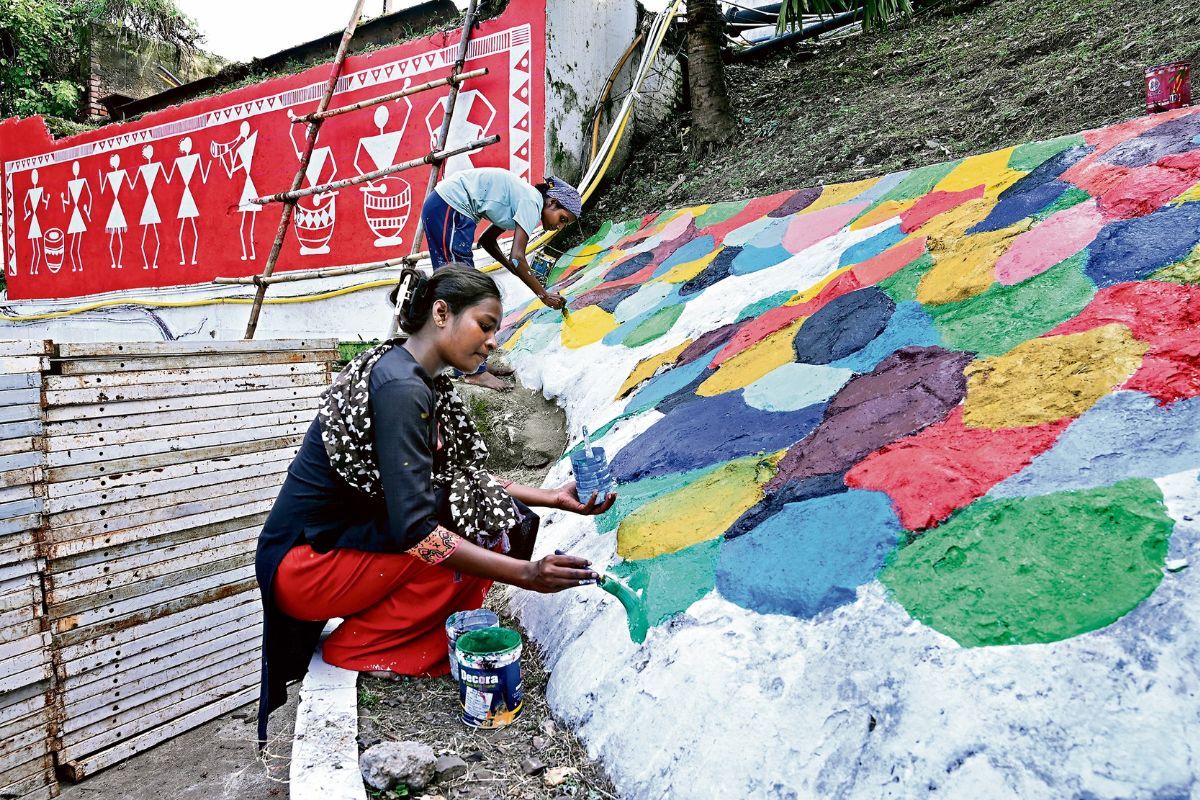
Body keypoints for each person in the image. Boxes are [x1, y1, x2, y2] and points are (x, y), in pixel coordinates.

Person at [255, 265, 615, 743]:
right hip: (305, 567)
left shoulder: (414, 376)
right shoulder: (402, 388)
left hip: (327, 552)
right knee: (479, 531)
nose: (492, 343)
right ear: (441, 313)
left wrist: (552, 498)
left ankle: (396, 632)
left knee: (485, 517)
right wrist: (527, 574)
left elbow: (455, 482)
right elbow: (416, 531)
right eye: (485, 325)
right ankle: (366, 647)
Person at [420, 168, 582, 391]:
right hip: (450, 207)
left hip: (448, 208)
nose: (559, 226)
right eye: (562, 219)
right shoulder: (532, 202)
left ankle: (472, 365)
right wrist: (543, 295)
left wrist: (514, 269)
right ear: (552, 203)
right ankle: (474, 372)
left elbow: (487, 241)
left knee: (464, 292)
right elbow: (518, 257)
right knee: (462, 291)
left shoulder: (525, 201)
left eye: (565, 224)